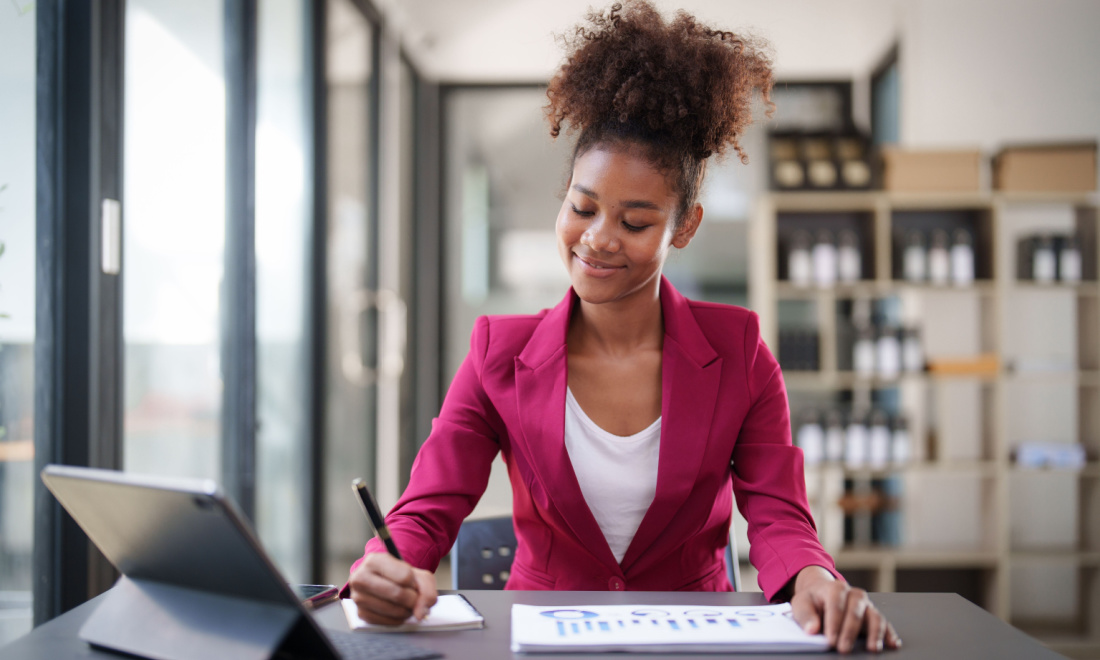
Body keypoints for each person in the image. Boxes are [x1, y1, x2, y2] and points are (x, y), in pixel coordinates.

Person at [348, 1, 900, 653]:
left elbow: (779, 513)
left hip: (693, 641)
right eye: (583, 207)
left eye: (636, 222)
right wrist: (386, 568)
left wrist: (812, 575)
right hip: (544, 643)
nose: (599, 240)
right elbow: (427, 507)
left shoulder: (739, 351)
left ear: (684, 227)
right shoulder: (501, 351)